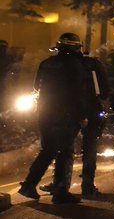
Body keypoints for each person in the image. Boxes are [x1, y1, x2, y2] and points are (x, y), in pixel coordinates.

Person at [18, 33, 89, 204]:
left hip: (44, 113)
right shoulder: (76, 65)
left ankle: (29, 185)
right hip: (66, 115)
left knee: (47, 150)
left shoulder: (46, 63)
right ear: (76, 48)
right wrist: (82, 116)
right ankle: (60, 192)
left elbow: (36, 87)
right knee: (65, 152)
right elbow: (78, 93)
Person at [41, 53, 110, 198]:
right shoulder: (93, 63)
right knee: (89, 148)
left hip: (68, 111)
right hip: (91, 109)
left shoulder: (56, 63)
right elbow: (105, 92)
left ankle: (60, 185)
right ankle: (88, 187)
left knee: (65, 148)